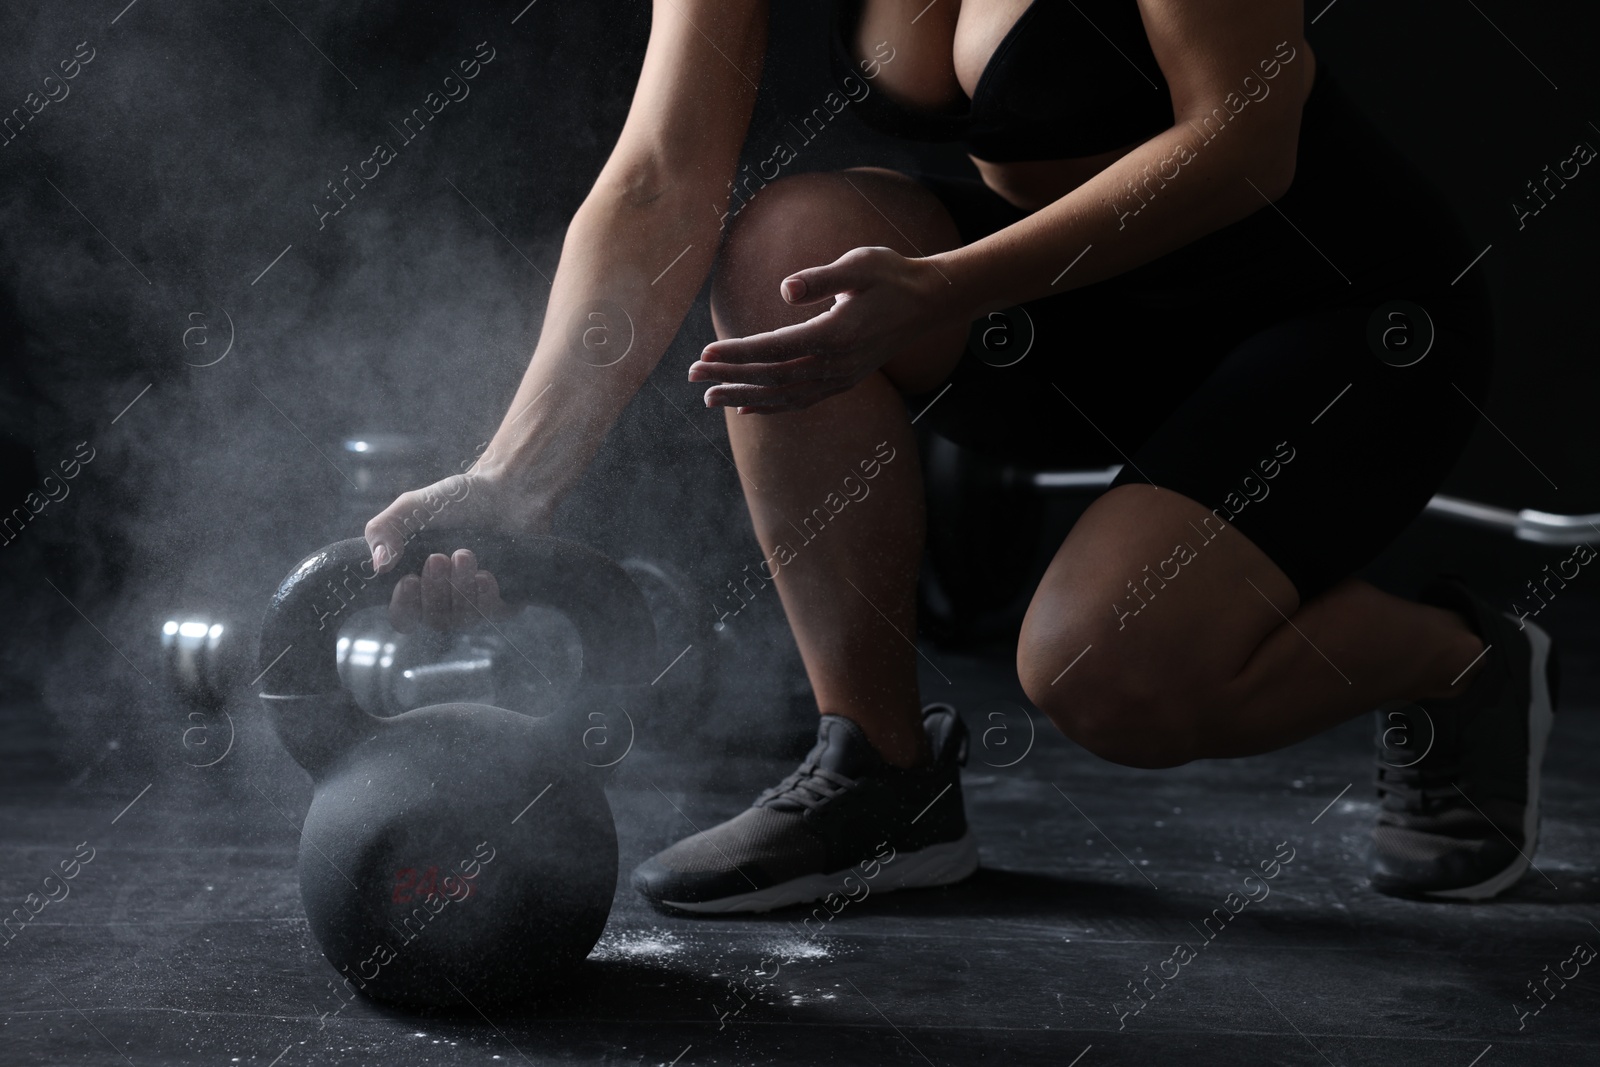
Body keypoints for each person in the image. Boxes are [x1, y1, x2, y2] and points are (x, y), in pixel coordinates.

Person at [364, 0, 1558, 912]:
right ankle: (877, 777)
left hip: (1337, 319)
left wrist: (941, 287)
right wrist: (514, 476)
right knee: (791, 249)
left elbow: (1247, 139)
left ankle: (1458, 661)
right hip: (1081, 315)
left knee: (1104, 673)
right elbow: (657, 176)